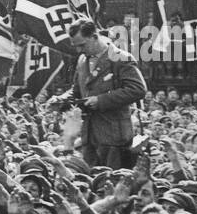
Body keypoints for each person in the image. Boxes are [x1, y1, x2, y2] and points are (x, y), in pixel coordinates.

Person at [59, 18, 147, 168]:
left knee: (111, 182)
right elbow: (77, 91)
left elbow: (138, 89)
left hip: (114, 139)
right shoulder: (82, 61)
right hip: (89, 137)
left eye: (82, 45)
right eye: (76, 47)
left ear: (94, 37)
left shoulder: (120, 58)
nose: (79, 50)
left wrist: (101, 100)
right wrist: (61, 100)